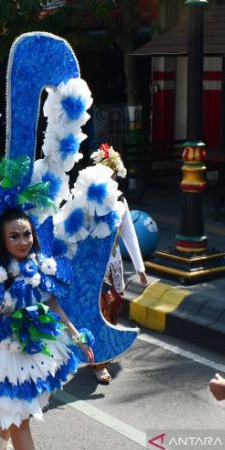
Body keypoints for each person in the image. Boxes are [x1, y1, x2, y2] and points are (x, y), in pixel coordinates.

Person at [0, 209, 94, 450]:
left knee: (17, 411)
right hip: (1, 356)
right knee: (19, 416)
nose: (23, 241)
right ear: (3, 241)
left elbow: (53, 305)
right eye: (14, 236)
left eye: (27, 234)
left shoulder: (38, 266)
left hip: (33, 351)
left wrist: (77, 337)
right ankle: (4, 445)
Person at [89, 144, 148, 383]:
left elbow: (129, 234)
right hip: (94, 268)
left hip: (114, 268)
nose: (109, 177)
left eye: (112, 172)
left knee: (113, 311)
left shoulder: (121, 201)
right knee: (99, 313)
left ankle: (100, 352)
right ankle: (99, 362)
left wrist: (140, 267)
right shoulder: (87, 199)